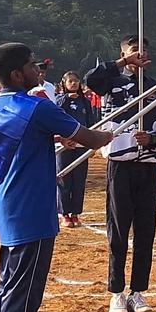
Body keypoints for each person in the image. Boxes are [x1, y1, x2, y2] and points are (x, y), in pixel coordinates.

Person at [0, 42, 112, 312]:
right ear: (17, 74)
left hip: (5, 206)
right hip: (32, 213)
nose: (38, 70)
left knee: (7, 288)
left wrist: (26, 163)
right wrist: (110, 135)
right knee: (24, 297)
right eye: (33, 65)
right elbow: (90, 138)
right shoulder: (38, 106)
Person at [84, 35, 156, 312]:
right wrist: (123, 64)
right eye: (133, 50)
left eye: (144, 51)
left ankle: (138, 291)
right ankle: (117, 292)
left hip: (148, 166)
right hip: (120, 165)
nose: (141, 54)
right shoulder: (110, 83)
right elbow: (91, 79)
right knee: (118, 230)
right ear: (124, 53)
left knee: (145, 231)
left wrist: (152, 138)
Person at [55, 71, 98, 228]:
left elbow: (90, 123)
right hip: (64, 145)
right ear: (64, 84)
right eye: (70, 81)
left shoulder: (85, 102)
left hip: (81, 145)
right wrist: (66, 99)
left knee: (79, 180)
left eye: (76, 81)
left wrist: (91, 143)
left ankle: (75, 213)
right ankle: (64, 214)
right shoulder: (60, 100)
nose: (73, 84)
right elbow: (56, 115)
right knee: (64, 179)